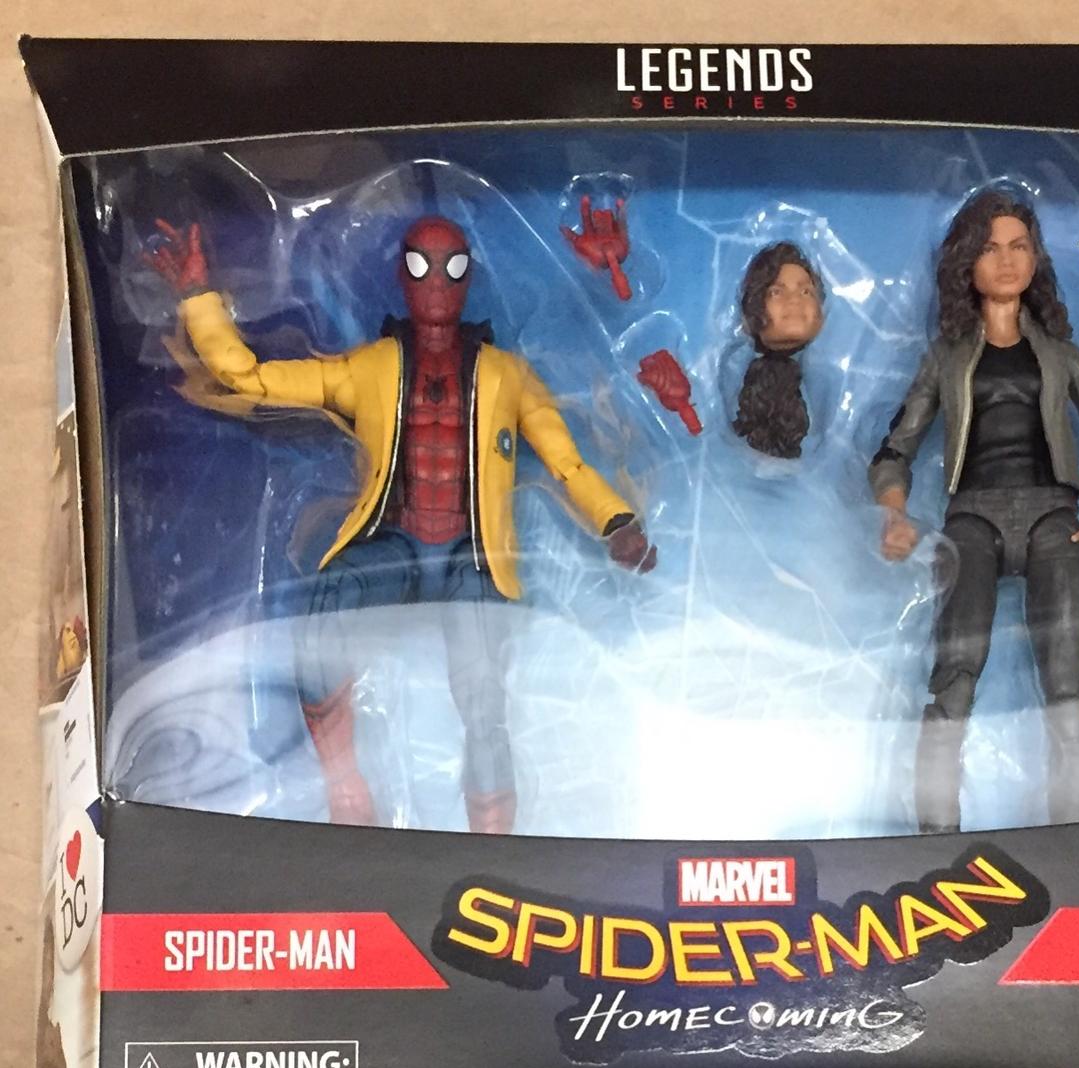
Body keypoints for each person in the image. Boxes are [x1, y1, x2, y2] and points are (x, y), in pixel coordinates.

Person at [148, 216, 655, 832]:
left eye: (453, 268)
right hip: (390, 544)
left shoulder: (507, 375)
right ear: (402, 275)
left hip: (473, 559)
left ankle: (492, 843)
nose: (437, 281)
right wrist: (198, 297)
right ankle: (346, 789)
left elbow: (566, 462)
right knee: (317, 634)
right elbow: (248, 378)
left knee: (484, 702)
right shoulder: (371, 368)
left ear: (469, 277)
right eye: (421, 265)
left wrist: (615, 521)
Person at [869, 191, 1079, 831]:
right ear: (966, 263)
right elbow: (894, 450)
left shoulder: (1059, 354)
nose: (1005, 261)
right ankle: (933, 834)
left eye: (1019, 246)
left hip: (1055, 513)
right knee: (954, 674)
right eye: (990, 248)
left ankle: (1072, 836)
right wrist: (894, 513)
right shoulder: (946, 357)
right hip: (972, 516)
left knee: (1066, 681)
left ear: (1035, 258)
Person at [733, 241, 825, 459]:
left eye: (805, 291)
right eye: (776, 292)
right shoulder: (738, 371)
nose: (794, 300)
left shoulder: (825, 376)